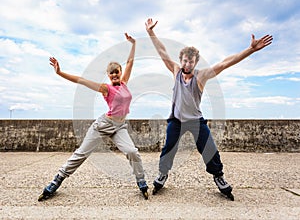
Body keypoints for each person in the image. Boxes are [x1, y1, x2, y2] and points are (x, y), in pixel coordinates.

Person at [145, 18, 273, 200]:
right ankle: (163, 174)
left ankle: (219, 177)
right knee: (168, 148)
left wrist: (250, 50)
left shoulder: (201, 76)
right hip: (176, 120)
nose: (187, 64)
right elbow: (162, 51)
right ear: (180, 61)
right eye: (185, 61)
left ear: (195, 63)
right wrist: (151, 33)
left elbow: (225, 63)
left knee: (209, 149)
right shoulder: (175, 71)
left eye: (191, 62)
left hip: (196, 120)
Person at [38, 33, 149, 201]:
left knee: (132, 151)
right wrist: (59, 72)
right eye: (111, 73)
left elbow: (131, 62)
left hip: (120, 127)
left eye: (116, 72)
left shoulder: (125, 82)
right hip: (103, 125)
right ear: (108, 75)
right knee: (82, 153)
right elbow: (81, 80)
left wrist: (133, 44)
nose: (114, 75)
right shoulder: (106, 89)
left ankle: (141, 181)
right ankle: (57, 180)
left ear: (120, 72)